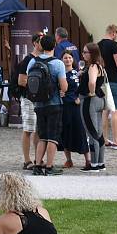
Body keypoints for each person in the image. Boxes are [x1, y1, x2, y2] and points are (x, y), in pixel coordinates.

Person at [27, 34, 68, 176]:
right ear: (54, 46)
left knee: (42, 136)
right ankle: (49, 167)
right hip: (54, 103)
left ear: (41, 46)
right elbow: (64, 87)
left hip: (38, 104)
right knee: (53, 137)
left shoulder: (32, 62)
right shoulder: (58, 64)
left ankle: (38, 165)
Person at [78, 42, 107, 172]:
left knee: (92, 132)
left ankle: (94, 164)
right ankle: (101, 163)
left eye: (85, 52)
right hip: (100, 101)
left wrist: (91, 92)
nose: (83, 54)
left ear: (92, 53)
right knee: (99, 132)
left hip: (90, 101)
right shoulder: (100, 66)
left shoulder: (93, 67)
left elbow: (92, 82)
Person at [15, 33, 41, 170]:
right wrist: (37, 87)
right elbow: (21, 81)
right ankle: (27, 160)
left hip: (39, 99)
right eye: (41, 41)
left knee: (38, 129)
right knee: (28, 129)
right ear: (35, 43)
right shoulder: (28, 60)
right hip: (28, 98)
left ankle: (38, 157)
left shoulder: (43, 58)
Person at [60, 51, 90, 170]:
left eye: (69, 57)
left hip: (76, 107)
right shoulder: (60, 74)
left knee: (80, 131)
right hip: (65, 106)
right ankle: (68, 160)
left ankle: (87, 159)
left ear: (73, 59)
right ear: (62, 60)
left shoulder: (77, 73)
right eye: (65, 58)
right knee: (65, 132)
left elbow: (84, 88)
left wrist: (79, 98)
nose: (67, 60)